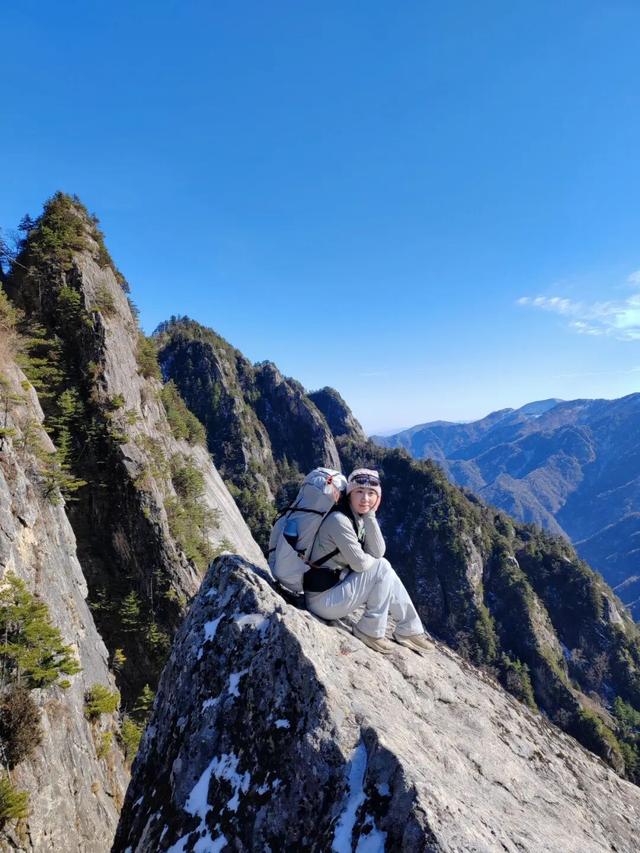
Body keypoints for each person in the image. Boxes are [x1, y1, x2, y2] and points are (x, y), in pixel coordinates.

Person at [304, 468, 432, 655]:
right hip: (322, 600)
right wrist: (372, 561)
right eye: (359, 492)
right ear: (349, 495)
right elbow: (360, 564)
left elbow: (378, 551)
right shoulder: (339, 520)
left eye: (371, 493)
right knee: (382, 567)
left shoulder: (358, 517)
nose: (365, 498)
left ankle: (410, 628)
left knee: (384, 567)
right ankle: (370, 630)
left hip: (335, 589)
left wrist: (370, 516)